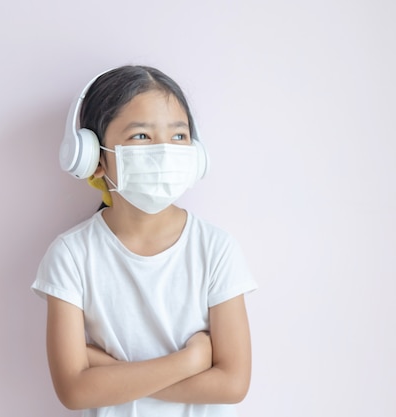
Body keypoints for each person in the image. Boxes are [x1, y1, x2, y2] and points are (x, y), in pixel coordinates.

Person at [31, 65, 257, 417]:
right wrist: (192, 360)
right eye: (141, 136)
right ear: (93, 157)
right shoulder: (71, 255)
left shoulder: (216, 248)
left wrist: (111, 373)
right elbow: (74, 390)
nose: (165, 151)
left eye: (179, 137)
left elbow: (231, 384)